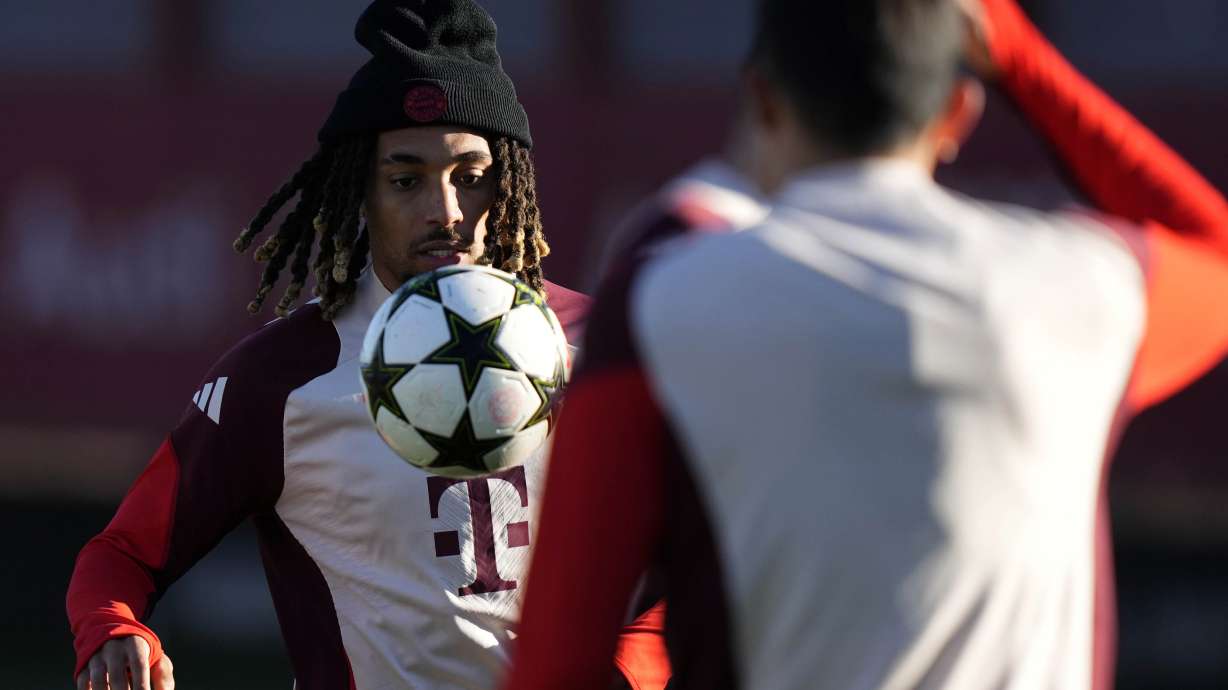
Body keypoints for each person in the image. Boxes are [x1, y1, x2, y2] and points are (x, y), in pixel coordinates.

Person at [504, 0, 1228, 688]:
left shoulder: (665, 301)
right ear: (957, 113)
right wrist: (1018, 56)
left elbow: (556, 665)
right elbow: (1215, 253)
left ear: (762, 99)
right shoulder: (1082, 290)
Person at [66, 2, 666, 689]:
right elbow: (121, 553)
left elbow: (697, 552)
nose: (445, 212)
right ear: (360, 192)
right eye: (406, 179)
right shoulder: (281, 378)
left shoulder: (603, 349)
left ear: (509, 183)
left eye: (470, 175)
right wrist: (113, 628)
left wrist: (632, 665)